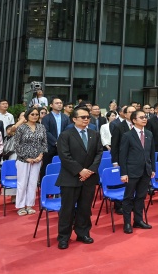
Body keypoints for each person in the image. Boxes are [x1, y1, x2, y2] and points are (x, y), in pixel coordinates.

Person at [55, 107, 102, 249]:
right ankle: (64, 237)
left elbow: (99, 153)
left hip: (89, 177)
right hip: (71, 177)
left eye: (87, 117)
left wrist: (90, 171)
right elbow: (65, 156)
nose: (86, 119)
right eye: (82, 117)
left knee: (85, 208)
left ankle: (83, 233)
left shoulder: (94, 134)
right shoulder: (66, 135)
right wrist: (80, 171)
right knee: (67, 209)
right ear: (74, 119)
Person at [119, 110, 156, 233]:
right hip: (131, 171)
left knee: (141, 196)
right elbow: (122, 156)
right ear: (134, 120)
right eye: (141, 117)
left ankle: (138, 220)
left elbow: (151, 153)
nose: (144, 119)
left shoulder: (149, 134)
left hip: (146, 171)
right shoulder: (127, 135)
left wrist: (153, 169)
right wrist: (123, 173)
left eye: (145, 117)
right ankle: (127, 223)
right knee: (128, 197)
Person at [10, 108, 47, 216]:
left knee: (33, 183)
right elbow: (16, 145)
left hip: (37, 159)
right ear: (27, 116)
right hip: (23, 160)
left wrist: (40, 156)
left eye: (37, 114)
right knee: (23, 183)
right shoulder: (21, 128)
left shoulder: (41, 127)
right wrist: (26, 158)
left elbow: (44, 143)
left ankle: (30, 205)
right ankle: (21, 206)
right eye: (32, 114)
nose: (35, 116)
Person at [40, 98, 71, 178]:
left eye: (60, 103)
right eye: (57, 103)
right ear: (51, 105)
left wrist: (62, 142)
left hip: (63, 146)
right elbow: (45, 131)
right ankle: (44, 184)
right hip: (50, 146)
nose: (59, 104)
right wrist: (56, 142)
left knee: (62, 166)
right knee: (47, 165)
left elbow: (68, 130)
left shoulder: (66, 117)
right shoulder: (46, 118)